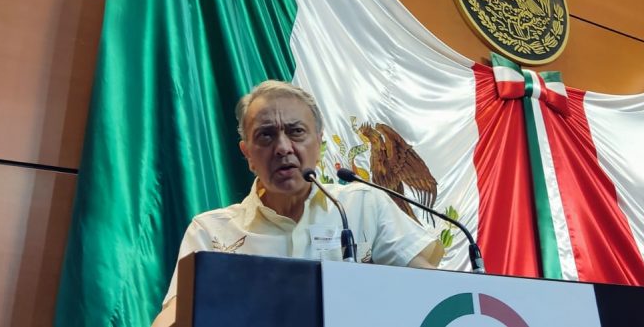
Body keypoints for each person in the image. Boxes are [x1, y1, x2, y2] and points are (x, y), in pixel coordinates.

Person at [152, 80, 443, 326]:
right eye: (266, 135)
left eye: (296, 132)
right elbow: (174, 316)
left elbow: (433, 294)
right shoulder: (211, 232)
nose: (282, 147)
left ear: (318, 142)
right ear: (247, 154)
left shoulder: (363, 207)